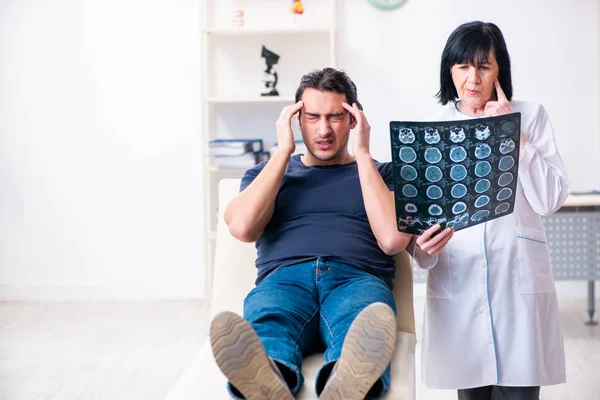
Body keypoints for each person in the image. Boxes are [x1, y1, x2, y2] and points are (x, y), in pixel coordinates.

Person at [208, 67, 454, 400]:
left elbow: (392, 240)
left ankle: (346, 381)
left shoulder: (383, 174)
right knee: (269, 322)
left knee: (360, 327)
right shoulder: (268, 173)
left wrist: (364, 154)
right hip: (284, 281)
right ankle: (268, 378)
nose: (324, 129)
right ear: (296, 119)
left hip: (357, 280)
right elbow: (241, 227)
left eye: (336, 117)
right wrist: (281, 152)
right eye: (312, 117)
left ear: (354, 120)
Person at [412, 21, 570, 400]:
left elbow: (550, 199)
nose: (473, 79)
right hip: (459, 283)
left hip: (516, 285)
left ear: (500, 71)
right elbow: (419, 232)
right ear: (450, 70)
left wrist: (513, 135)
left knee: (519, 392)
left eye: (484, 67)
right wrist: (423, 249)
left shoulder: (529, 117)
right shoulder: (434, 129)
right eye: (464, 66)